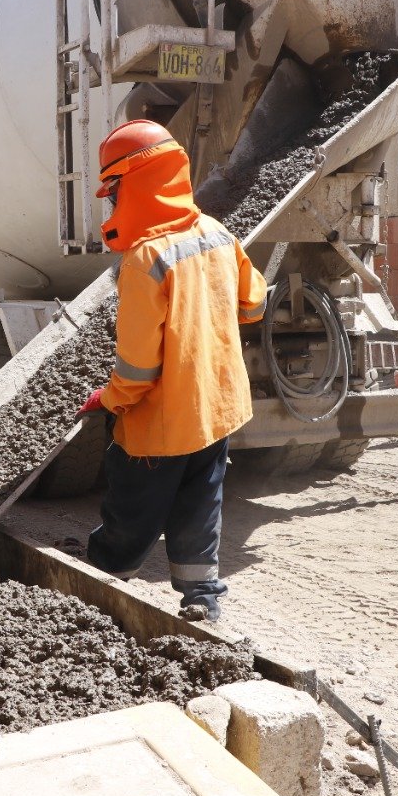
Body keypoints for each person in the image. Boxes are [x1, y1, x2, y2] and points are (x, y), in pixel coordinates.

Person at [76, 120, 268, 622]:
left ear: (134, 185)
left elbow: (138, 371)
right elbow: (253, 303)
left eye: (113, 192)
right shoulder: (217, 233)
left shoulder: (145, 260)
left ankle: (98, 588)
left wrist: (110, 401)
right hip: (215, 412)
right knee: (199, 507)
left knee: (132, 513)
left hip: (159, 424)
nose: (111, 205)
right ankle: (202, 601)